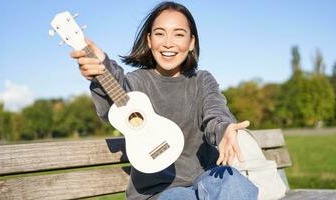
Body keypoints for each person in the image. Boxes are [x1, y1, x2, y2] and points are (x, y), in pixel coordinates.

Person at [70, 1, 258, 200]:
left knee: (236, 184)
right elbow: (116, 100)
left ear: (192, 42)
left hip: (206, 178)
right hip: (158, 191)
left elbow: (215, 111)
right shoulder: (136, 83)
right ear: (149, 40)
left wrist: (223, 129)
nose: (168, 42)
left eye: (178, 34)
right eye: (160, 33)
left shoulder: (202, 80)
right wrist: (102, 69)